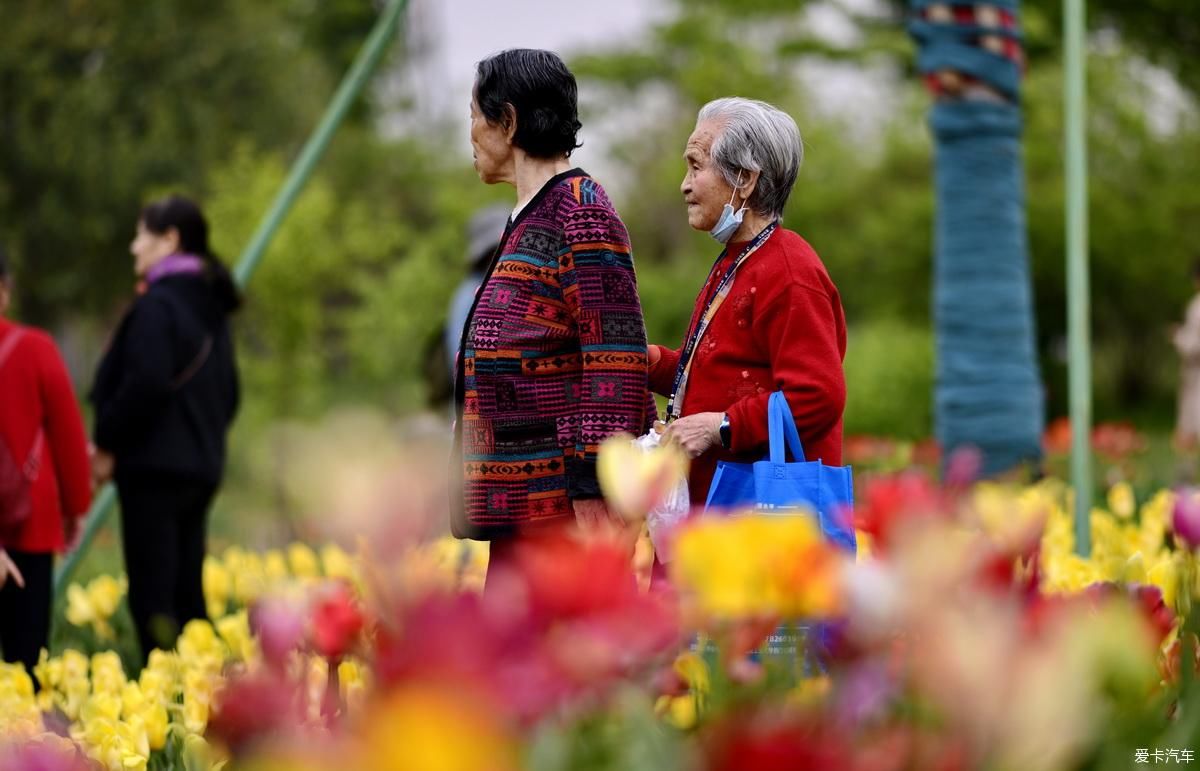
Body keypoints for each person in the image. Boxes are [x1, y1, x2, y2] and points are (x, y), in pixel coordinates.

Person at [453, 49, 652, 572]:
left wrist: (593, 484)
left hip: (561, 512)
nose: (470, 133)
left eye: (474, 116)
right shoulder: (528, 215)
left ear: (509, 121)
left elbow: (615, 354)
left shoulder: (580, 210)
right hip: (523, 507)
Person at [654, 97, 847, 502]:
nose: (684, 185)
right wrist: (650, 361)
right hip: (712, 511)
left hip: (759, 526)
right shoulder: (741, 257)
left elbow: (818, 396)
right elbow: (721, 373)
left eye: (695, 165)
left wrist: (719, 427)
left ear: (744, 178)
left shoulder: (789, 270)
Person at [90, 195, 240, 661]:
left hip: (153, 470)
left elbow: (145, 383)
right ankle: (199, 698)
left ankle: (164, 698)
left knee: (154, 598)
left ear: (170, 240)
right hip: (201, 467)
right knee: (186, 594)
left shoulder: (159, 306)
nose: (134, 247)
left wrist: (107, 440)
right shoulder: (212, 305)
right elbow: (230, 393)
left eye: (141, 235)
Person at [0, 248, 93, 673]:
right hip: (29, 526)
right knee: (25, 660)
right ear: (5, 291)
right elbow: (69, 439)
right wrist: (75, 509)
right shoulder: (36, 348)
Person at [1173, 260, 1200, 452]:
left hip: (1197, 374)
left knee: (1193, 424)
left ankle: (1189, 479)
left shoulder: (1197, 307)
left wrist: (1177, 336)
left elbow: (1193, 345)